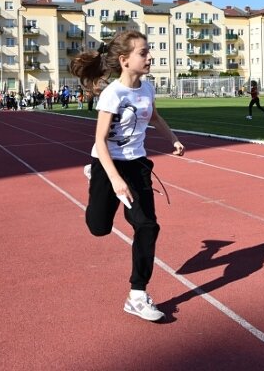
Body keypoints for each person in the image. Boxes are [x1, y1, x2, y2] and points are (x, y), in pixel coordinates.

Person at [71, 30, 185, 323]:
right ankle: (93, 180)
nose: (149, 57)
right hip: (107, 164)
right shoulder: (112, 94)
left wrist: (172, 138)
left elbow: (155, 117)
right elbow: (100, 141)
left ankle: (137, 294)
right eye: (143, 53)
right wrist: (113, 179)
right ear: (124, 60)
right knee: (99, 228)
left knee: (147, 226)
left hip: (136, 165)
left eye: (148, 52)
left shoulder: (146, 88)